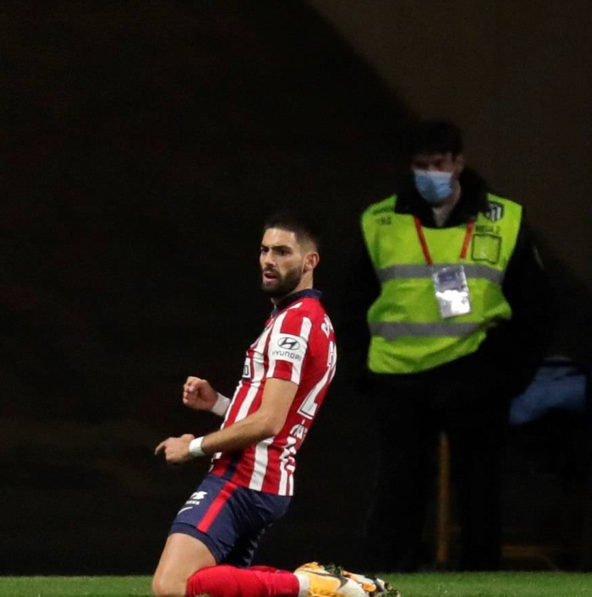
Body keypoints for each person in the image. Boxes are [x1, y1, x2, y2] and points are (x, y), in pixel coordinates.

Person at [151, 214, 396, 597]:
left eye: (282, 252)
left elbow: (268, 421)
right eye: (265, 250)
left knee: (171, 585)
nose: (269, 260)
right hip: (265, 479)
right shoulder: (306, 319)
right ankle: (328, 583)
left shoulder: (294, 325)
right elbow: (279, 412)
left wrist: (193, 447)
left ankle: (315, 583)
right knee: (223, 586)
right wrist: (219, 404)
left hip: (243, 477)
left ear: (310, 261)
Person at [357, 120, 549, 571]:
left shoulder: (504, 219)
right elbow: (352, 303)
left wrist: (506, 377)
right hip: (399, 377)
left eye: (439, 164)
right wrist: (363, 376)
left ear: (459, 163)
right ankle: (391, 579)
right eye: (421, 165)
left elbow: (538, 310)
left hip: (474, 374)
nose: (430, 174)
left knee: (480, 492)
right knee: (399, 491)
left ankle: (481, 579)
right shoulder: (380, 221)